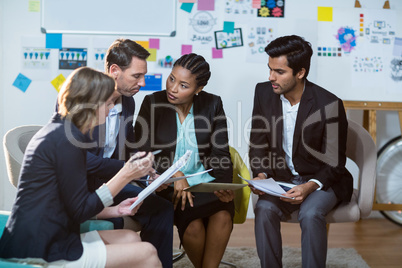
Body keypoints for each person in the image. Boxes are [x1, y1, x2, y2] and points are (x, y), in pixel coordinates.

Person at [0, 67, 161, 267]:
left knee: (131, 238)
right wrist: (126, 175)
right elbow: (79, 210)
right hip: (41, 248)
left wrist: (115, 210)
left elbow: (71, 203)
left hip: (47, 235)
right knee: (148, 252)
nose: (112, 108)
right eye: (109, 102)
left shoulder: (62, 132)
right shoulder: (67, 141)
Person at [249, 35, 353, 268]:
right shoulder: (263, 93)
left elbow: (335, 161)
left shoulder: (329, 104)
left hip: (321, 180)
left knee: (311, 213)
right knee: (264, 208)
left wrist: (309, 186)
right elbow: (258, 142)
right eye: (269, 69)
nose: (270, 77)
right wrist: (262, 174)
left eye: (279, 72)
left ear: (300, 73)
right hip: (281, 179)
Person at [134, 53, 235, 268]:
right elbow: (142, 152)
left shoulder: (212, 104)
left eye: (183, 85)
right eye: (171, 79)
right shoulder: (152, 102)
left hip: (205, 183)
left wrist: (223, 186)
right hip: (169, 185)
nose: (172, 88)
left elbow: (221, 152)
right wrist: (174, 175)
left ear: (198, 89)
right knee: (193, 227)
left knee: (224, 215)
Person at [85, 39, 174, 267]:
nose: (142, 83)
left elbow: (129, 144)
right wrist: (129, 171)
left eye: (143, 75)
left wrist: (148, 173)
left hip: (112, 182)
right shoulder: (80, 97)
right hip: (83, 187)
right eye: (136, 76)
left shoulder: (128, 101)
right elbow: (81, 160)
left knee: (161, 208)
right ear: (114, 71)